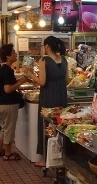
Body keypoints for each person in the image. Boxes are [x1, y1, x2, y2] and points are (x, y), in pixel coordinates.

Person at [23, 36, 68, 166]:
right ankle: (61, 156)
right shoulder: (64, 59)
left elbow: (42, 82)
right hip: (62, 95)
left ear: (47, 46)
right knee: (60, 125)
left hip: (49, 95)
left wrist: (30, 73)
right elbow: (66, 80)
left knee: (46, 124)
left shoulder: (44, 60)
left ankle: (46, 158)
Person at [0, 44, 28, 161]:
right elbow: (7, 89)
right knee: (9, 129)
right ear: (8, 56)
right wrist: (21, 82)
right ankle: (8, 154)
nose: (16, 54)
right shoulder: (7, 70)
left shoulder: (1, 68)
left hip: (1, 103)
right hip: (8, 104)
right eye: (13, 52)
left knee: (5, 128)